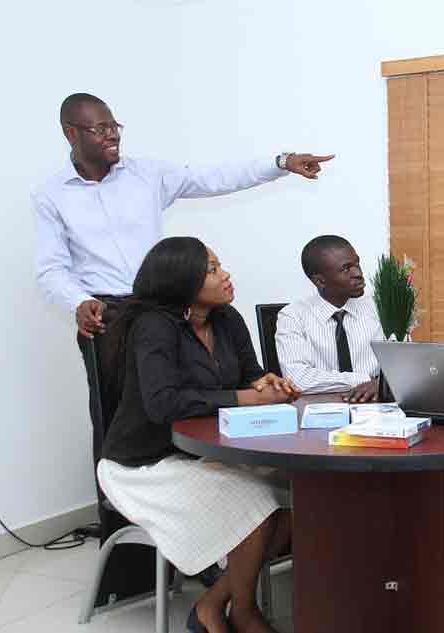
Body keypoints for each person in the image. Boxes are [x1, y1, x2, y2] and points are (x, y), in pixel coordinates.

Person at [33, 92, 333, 474]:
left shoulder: (148, 174)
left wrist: (280, 163)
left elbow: (213, 178)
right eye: (100, 129)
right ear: (71, 133)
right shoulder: (51, 194)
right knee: (117, 416)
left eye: (114, 126)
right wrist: (78, 300)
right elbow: (51, 268)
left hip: (161, 308)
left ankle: (194, 480)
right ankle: (119, 509)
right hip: (106, 314)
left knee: (185, 398)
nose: (112, 136)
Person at [98, 236, 299, 633]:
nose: (225, 275)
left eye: (220, 265)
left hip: (199, 454)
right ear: (181, 280)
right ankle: (243, 611)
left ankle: (212, 603)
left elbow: (249, 374)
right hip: (144, 463)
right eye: (212, 269)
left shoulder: (227, 318)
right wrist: (246, 397)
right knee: (257, 505)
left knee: (297, 499)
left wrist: (266, 384)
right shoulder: (154, 326)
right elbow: (164, 404)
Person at [275, 235, 384, 402]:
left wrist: (382, 385)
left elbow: (405, 367)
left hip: (377, 408)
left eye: (357, 264)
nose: (358, 273)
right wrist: (367, 380)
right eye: (346, 269)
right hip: (318, 411)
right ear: (320, 281)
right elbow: (298, 379)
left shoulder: (381, 307)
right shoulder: (292, 316)